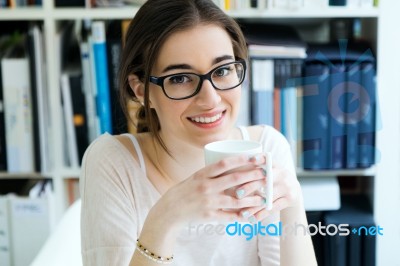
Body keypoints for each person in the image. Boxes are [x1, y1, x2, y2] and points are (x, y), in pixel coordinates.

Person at [80, 0, 317, 265]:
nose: (210, 99)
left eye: (224, 70)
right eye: (180, 78)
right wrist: (166, 217)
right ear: (140, 90)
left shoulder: (268, 147)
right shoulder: (114, 162)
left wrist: (293, 204)